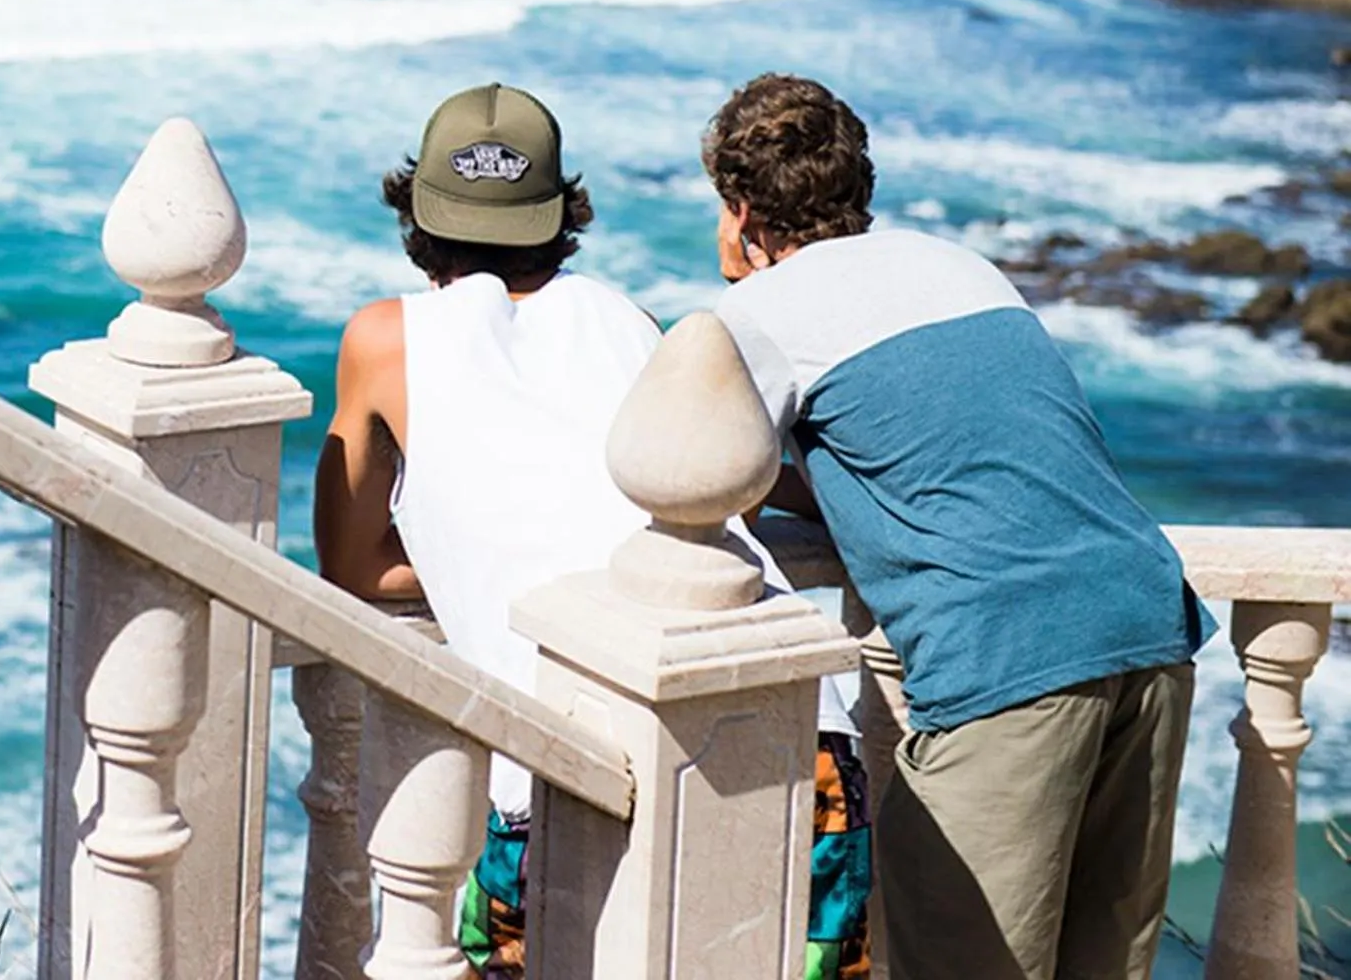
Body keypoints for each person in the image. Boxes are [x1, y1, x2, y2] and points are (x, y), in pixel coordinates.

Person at [315, 82, 865, 979]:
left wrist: (484, 559)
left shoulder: (383, 340)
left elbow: (351, 568)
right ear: (559, 214)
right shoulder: (631, 321)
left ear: (416, 210)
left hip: (571, 767)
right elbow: (738, 501)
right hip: (804, 742)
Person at [699, 72, 1211, 980]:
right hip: (1147, 618)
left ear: (740, 212)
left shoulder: (756, 314)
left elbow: (706, 481)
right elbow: (943, 456)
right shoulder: (958, 267)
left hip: (1008, 655)